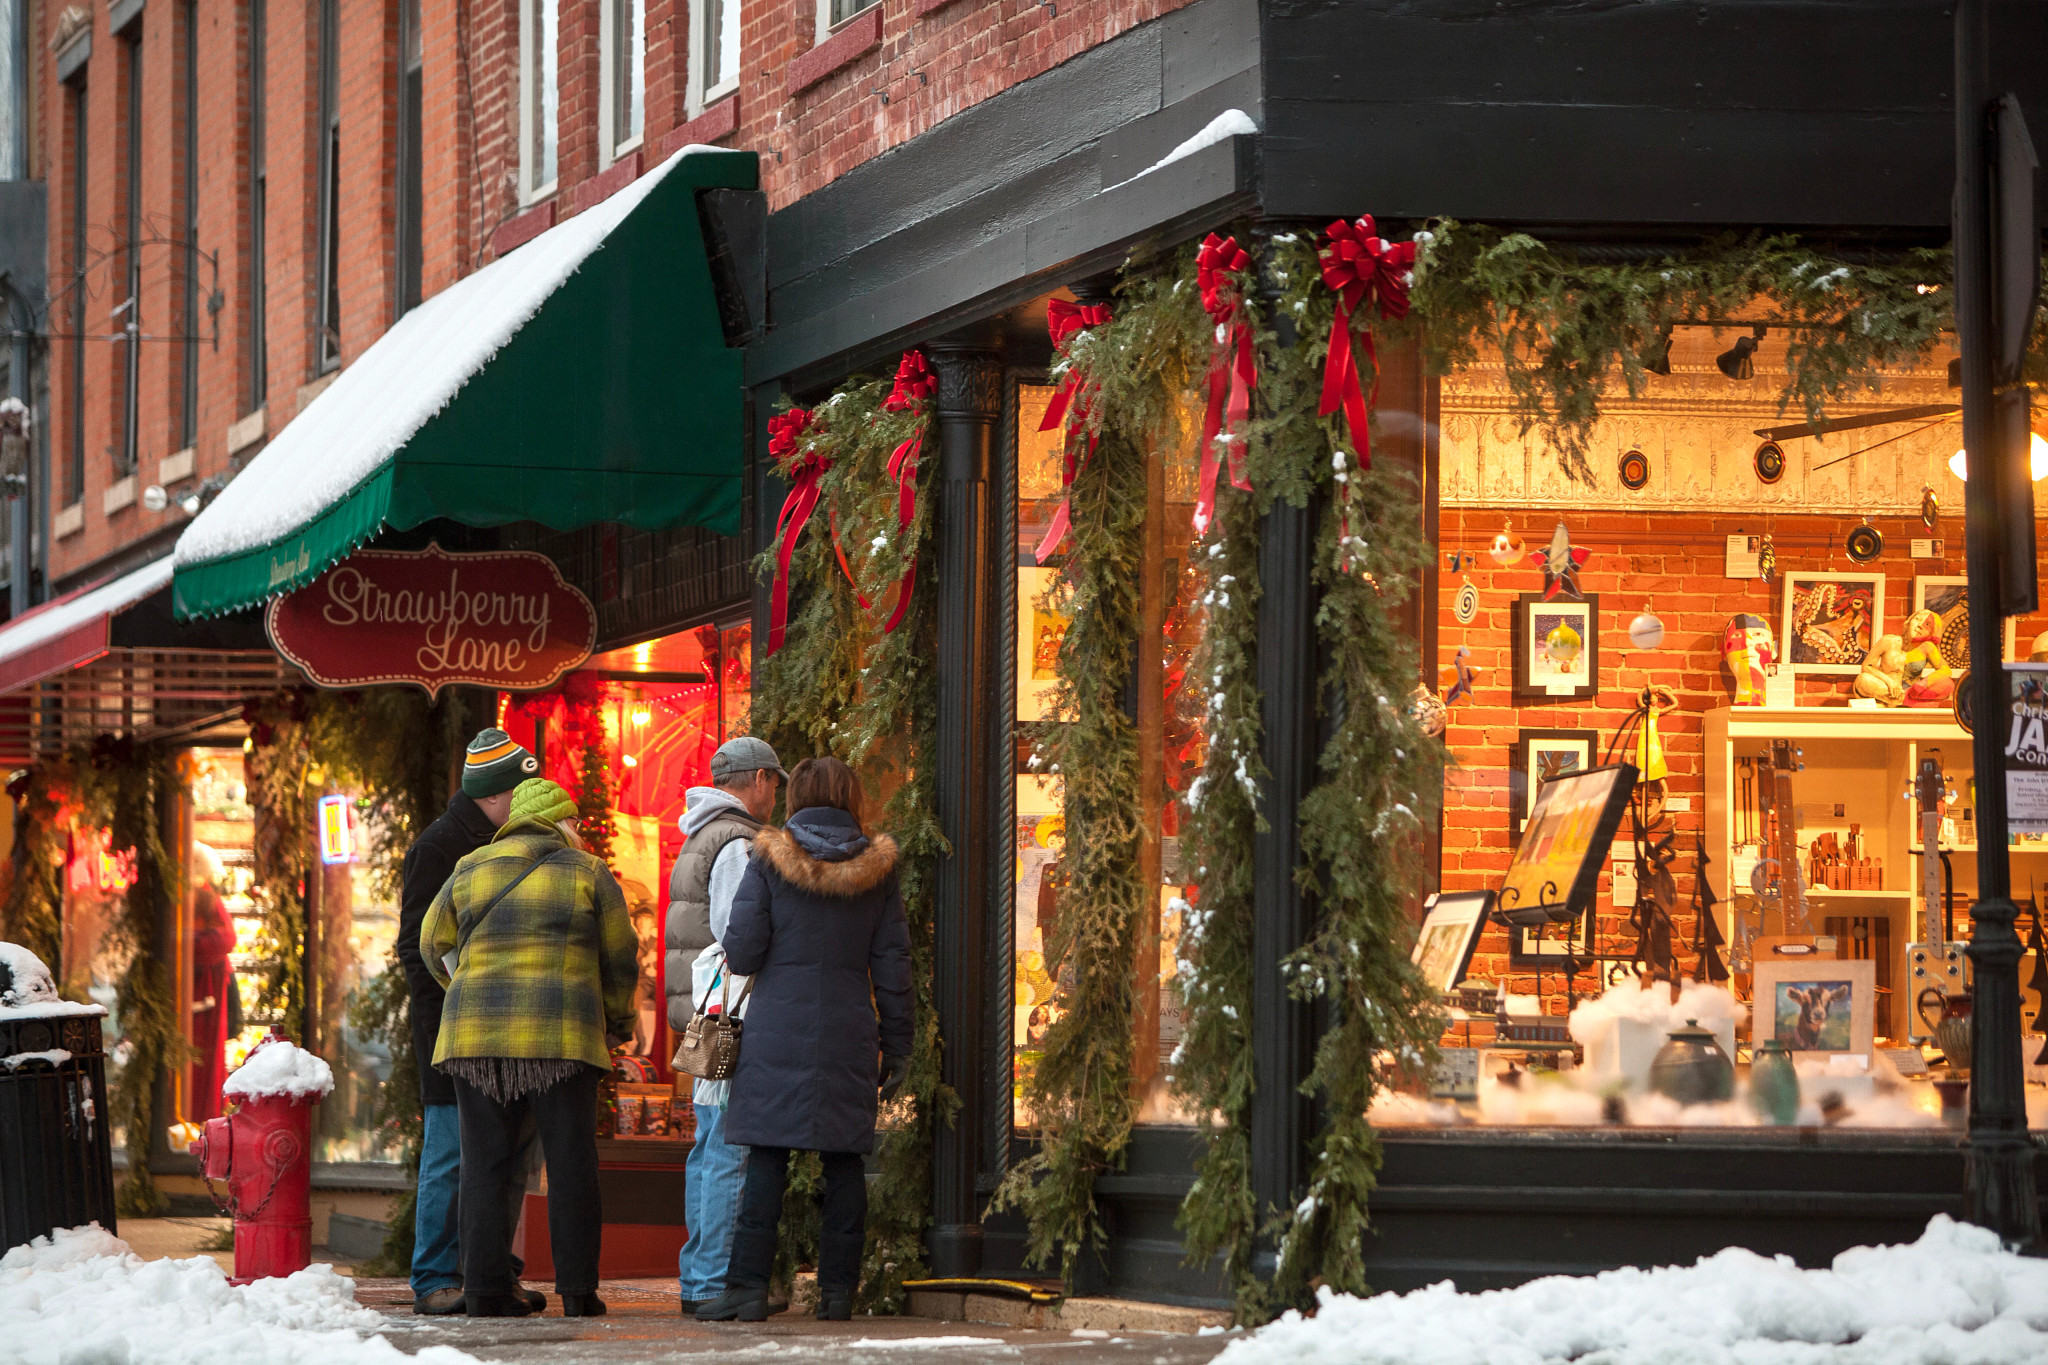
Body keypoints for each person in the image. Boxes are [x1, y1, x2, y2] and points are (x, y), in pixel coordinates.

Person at [695, 756, 912, 1324]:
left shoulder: (767, 858)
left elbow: (743, 951)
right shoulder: (878, 870)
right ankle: (838, 1293)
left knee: (766, 1158)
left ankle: (746, 1289)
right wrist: (899, 1045)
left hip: (776, 1032)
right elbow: (893, 966)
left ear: (797, 798)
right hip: (849, 1032)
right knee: (845, 1162)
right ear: (851, 798)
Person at [423, 778, 639, 1319]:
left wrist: (464, 988)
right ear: (564, 823)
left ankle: (485, 1290)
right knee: (571, 1163)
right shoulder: (587, 870)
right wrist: (618, 1022)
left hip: (474, 1040)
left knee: (483, 1164)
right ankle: (578, 1293)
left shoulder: (470, 866)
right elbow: (619, 956)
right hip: (560, 1037)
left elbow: (431, 942)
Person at [394, 728, 542, 1316]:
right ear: (494, 793)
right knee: (451, 1156)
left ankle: (491, 1273)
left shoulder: (515, 840)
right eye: (520, 789)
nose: (528, 799)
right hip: (450, 1034)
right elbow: (417, 949)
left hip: (508, 1030)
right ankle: (435, 1277)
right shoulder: (439, 847)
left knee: (507, 1158)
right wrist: (445, 1019)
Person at [665, 737, 786, 1315]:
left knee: (709, 1145)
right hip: (730, 1015)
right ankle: (712, 1280)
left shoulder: (701, 833)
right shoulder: (737, 841)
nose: (776, 795)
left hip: (706, 1016)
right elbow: (738, 936)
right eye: (775, 783)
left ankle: (700, 1279)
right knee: (728, 1150)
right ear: (759, 779)